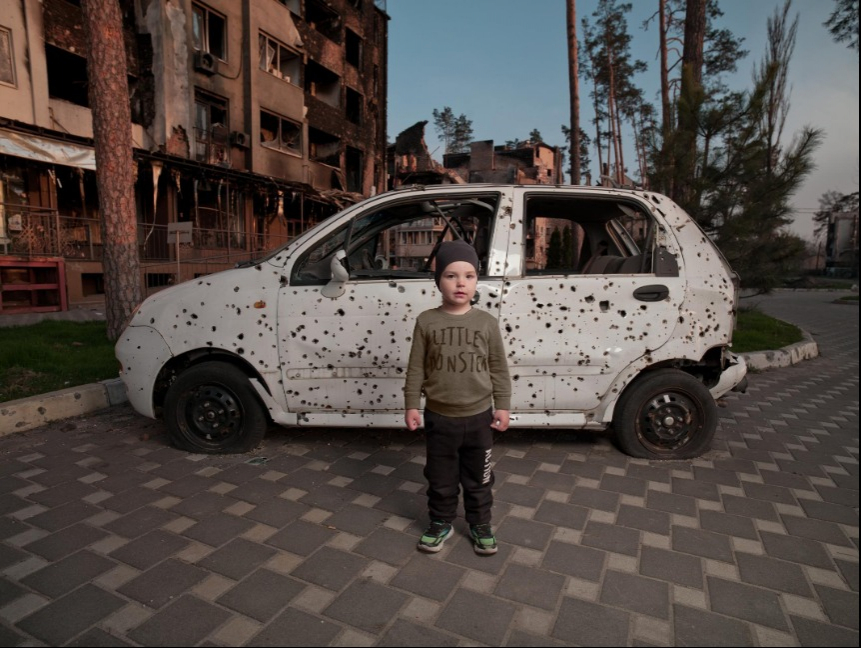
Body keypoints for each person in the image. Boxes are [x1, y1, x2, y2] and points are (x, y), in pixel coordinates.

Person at [404, 239, 511, 555]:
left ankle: (480, 524)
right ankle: (441, 522)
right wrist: (412, 403)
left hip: (479, 418)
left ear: (477, 280)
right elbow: (415, 367)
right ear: (438, 280)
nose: (460, 282)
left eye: (468, 275)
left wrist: (502, 406)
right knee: (440, 478)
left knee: (479, 479)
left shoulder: (486, 323)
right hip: (439, 418)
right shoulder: (426, 321)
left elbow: (498, 368)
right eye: (450, 275)